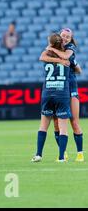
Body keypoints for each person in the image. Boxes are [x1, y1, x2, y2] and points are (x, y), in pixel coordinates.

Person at [42, 28, 84, 161]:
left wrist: (53, 51)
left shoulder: (69, 48)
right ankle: (63, 153)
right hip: (59, 89)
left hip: (70, 87)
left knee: (74, 122)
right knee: (56, 123)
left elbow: (76, 68)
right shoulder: (55, 48)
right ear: (59, 37)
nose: (65, 38)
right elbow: (42, 57)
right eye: (63, 36)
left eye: (68, 36)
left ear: (71, 39)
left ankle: (80, 153)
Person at [32, 33, 73, 162]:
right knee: (63, 128)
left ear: (50, 43)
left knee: (43, 126)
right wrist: (61, 61)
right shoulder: (66, 56)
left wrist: (50, 48)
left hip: (47, 92)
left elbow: (41, 56)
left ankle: (38, 154)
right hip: (62, 93)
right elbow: (70, 62)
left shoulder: (47, 55)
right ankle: (61, 157)